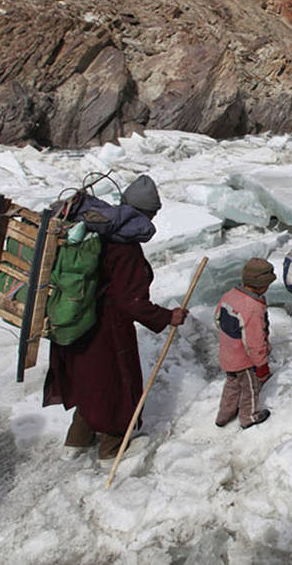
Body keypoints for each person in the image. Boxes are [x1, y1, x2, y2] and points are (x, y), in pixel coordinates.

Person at [44, 175, 188, 461]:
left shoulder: (94, 233)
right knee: (116, 386)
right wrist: (167, 316)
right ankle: (112, 447)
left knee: (89, 382)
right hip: (106, 330)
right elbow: (129, 301)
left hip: (77, 321)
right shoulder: (125, 247)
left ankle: (77, 441)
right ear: (149, 213)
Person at [215, 258, 275, 429]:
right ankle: (248, 417)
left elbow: (217, 318)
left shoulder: (230, 295)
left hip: (228, 353)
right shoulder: (253, 307)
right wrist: (262, 366)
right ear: (261, 285)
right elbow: (255, 342)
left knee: (232, 384)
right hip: (244, 360)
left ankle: (224, 415)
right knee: (250, 388)